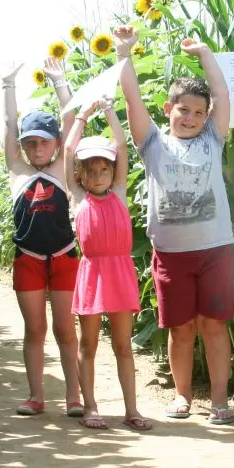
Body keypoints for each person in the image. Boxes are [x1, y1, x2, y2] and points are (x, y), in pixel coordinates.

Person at [112, 25, 234, 425]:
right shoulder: (152, 142)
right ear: (168, 110)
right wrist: (123, 54)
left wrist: (205, 55)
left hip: (215, 248)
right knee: (181, 330)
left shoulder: (213, 139)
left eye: (200, 112)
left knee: (214, 326)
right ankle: (182, 397)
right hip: (169, 254)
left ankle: (219, 401)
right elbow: (131, 98)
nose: (193, 117)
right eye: (184, 109)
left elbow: (223, 96)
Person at [60, 97, 153, 431]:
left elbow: (121, 145)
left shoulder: (119, 191)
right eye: (91, 170)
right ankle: (91, 407)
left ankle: (132, 410)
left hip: (120, 272)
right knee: (88, 343)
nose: (98, 175)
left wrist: (111, 111)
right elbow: (68, 153)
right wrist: (82, 117)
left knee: (123, 346)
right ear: (80, 175)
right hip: (92, 274)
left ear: (113, 171)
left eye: (105, 169)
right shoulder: (78, 197)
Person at [0, 58, 82, 417]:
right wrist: (8, 85)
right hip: (28, 260)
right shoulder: (16, 171)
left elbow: (69, 120)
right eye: (29, 143)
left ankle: (74, 398)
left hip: (64, 258)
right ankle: (36, 396)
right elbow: (9, 124)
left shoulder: (63, 170)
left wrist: (60, 82)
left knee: (66, 331)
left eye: (43, 143)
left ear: (56, 145)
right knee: (35, 330)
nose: (35, 150)